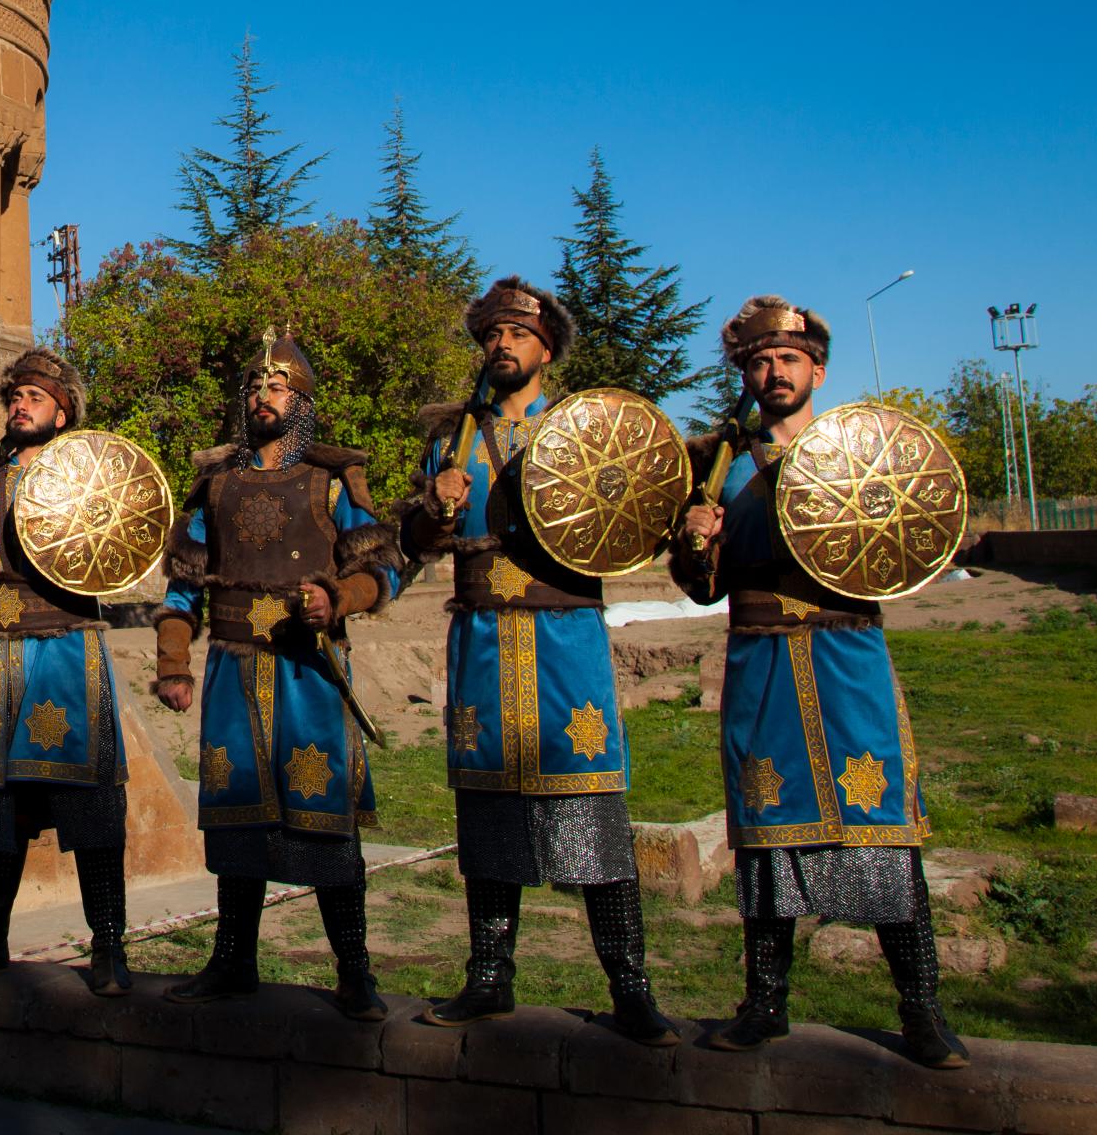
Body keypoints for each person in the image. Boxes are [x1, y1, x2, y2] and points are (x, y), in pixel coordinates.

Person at [672, 297, 968, 1069]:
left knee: (883, 829)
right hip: (763, 660)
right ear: (746, 375)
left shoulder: (861, 453)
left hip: (848, 656)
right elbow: (700, 588)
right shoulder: (719, 466)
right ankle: (764, 1004)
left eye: (789, 360)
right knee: (767, 835)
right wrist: (698, 541)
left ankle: (922, 1010)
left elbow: (903, 541)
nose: (774, 372)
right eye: (759, 362)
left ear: (818, 371)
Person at [400, 277, 676, 1045]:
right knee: (489, 815)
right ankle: (489, 977)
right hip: (483, 647)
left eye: (517, 334)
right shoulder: (451, 440)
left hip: (565, 646)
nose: (501, 344)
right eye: (491, 334)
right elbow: (414, 545)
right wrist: (435, 507)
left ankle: (630, 987)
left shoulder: (585, 432)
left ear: (545, 350)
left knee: (591, 812)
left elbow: (636, 523)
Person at [153, 334, 400, 1020]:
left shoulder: (333, 478)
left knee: (326, 823)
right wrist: (173, 663)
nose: (264, 396)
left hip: (308, 671)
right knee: (239, 827)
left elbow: (381, 568)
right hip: (232, 673)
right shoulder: (215, 481)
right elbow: (184, 585)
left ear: (302, 401)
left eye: (279, 386)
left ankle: (354, 971)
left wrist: (339, 598)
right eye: (255, 386)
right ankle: (233, 961)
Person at [0, 349, 134, 995]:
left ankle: (109, 946)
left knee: (89, 807)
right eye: (15, 396)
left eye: (35, 397)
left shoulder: (88, 476)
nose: (20, 405)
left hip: (64, 654)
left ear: (62, 413)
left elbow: (115, 556)